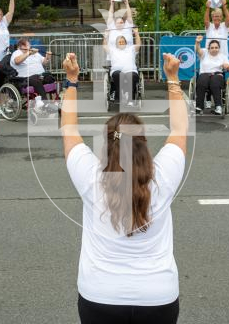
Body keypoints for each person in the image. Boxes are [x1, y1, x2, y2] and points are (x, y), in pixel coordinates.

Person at [61, 51, 187, 324]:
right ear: (142, 143)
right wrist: (173, 78)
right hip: (158, 296)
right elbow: (179, 129)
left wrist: (71, 82)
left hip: (100, 295)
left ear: (106, 146)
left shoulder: (91, 177)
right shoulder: (162, 176)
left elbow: (69, 130)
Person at [194, 36, 229, 115]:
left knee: (215, 83)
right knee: (201, 82)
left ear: (219, 48)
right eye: (212, 47)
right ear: (209, 48)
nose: (214, 49)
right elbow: (198, 50)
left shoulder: (223, 56)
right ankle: (199, 107)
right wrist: (197, 42)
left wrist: (227, 66)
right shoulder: (204, 53)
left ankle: (218, 107)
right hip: (205, 74)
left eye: (216, 47)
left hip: (217, 74)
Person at [10, 38, 53, 110]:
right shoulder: (17, 53)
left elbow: (44, 62)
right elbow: (17, 61)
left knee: (50, 77)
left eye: (29, 46)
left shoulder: (35, 53)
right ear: (20, 47)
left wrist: (47, 57)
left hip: (40, 76)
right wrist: (28, 53)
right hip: (25, 79)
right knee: (35, 78)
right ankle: (45, 102)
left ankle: (55, 102)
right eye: (26, 46)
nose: (28, 48)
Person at [104, 28, 142, 106]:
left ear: (125, 42)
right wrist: (106, 35)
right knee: (118, 74)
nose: (121, 43)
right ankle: (119, 96)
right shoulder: (113, 50)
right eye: (119, 42)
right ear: (117, 43)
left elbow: (138, 44)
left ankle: (130, 99)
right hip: (117, 71)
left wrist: (136, 33)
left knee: (132, 75)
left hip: (130, 70)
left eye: (123, 41)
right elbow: (105, 46)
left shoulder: (131, 49)